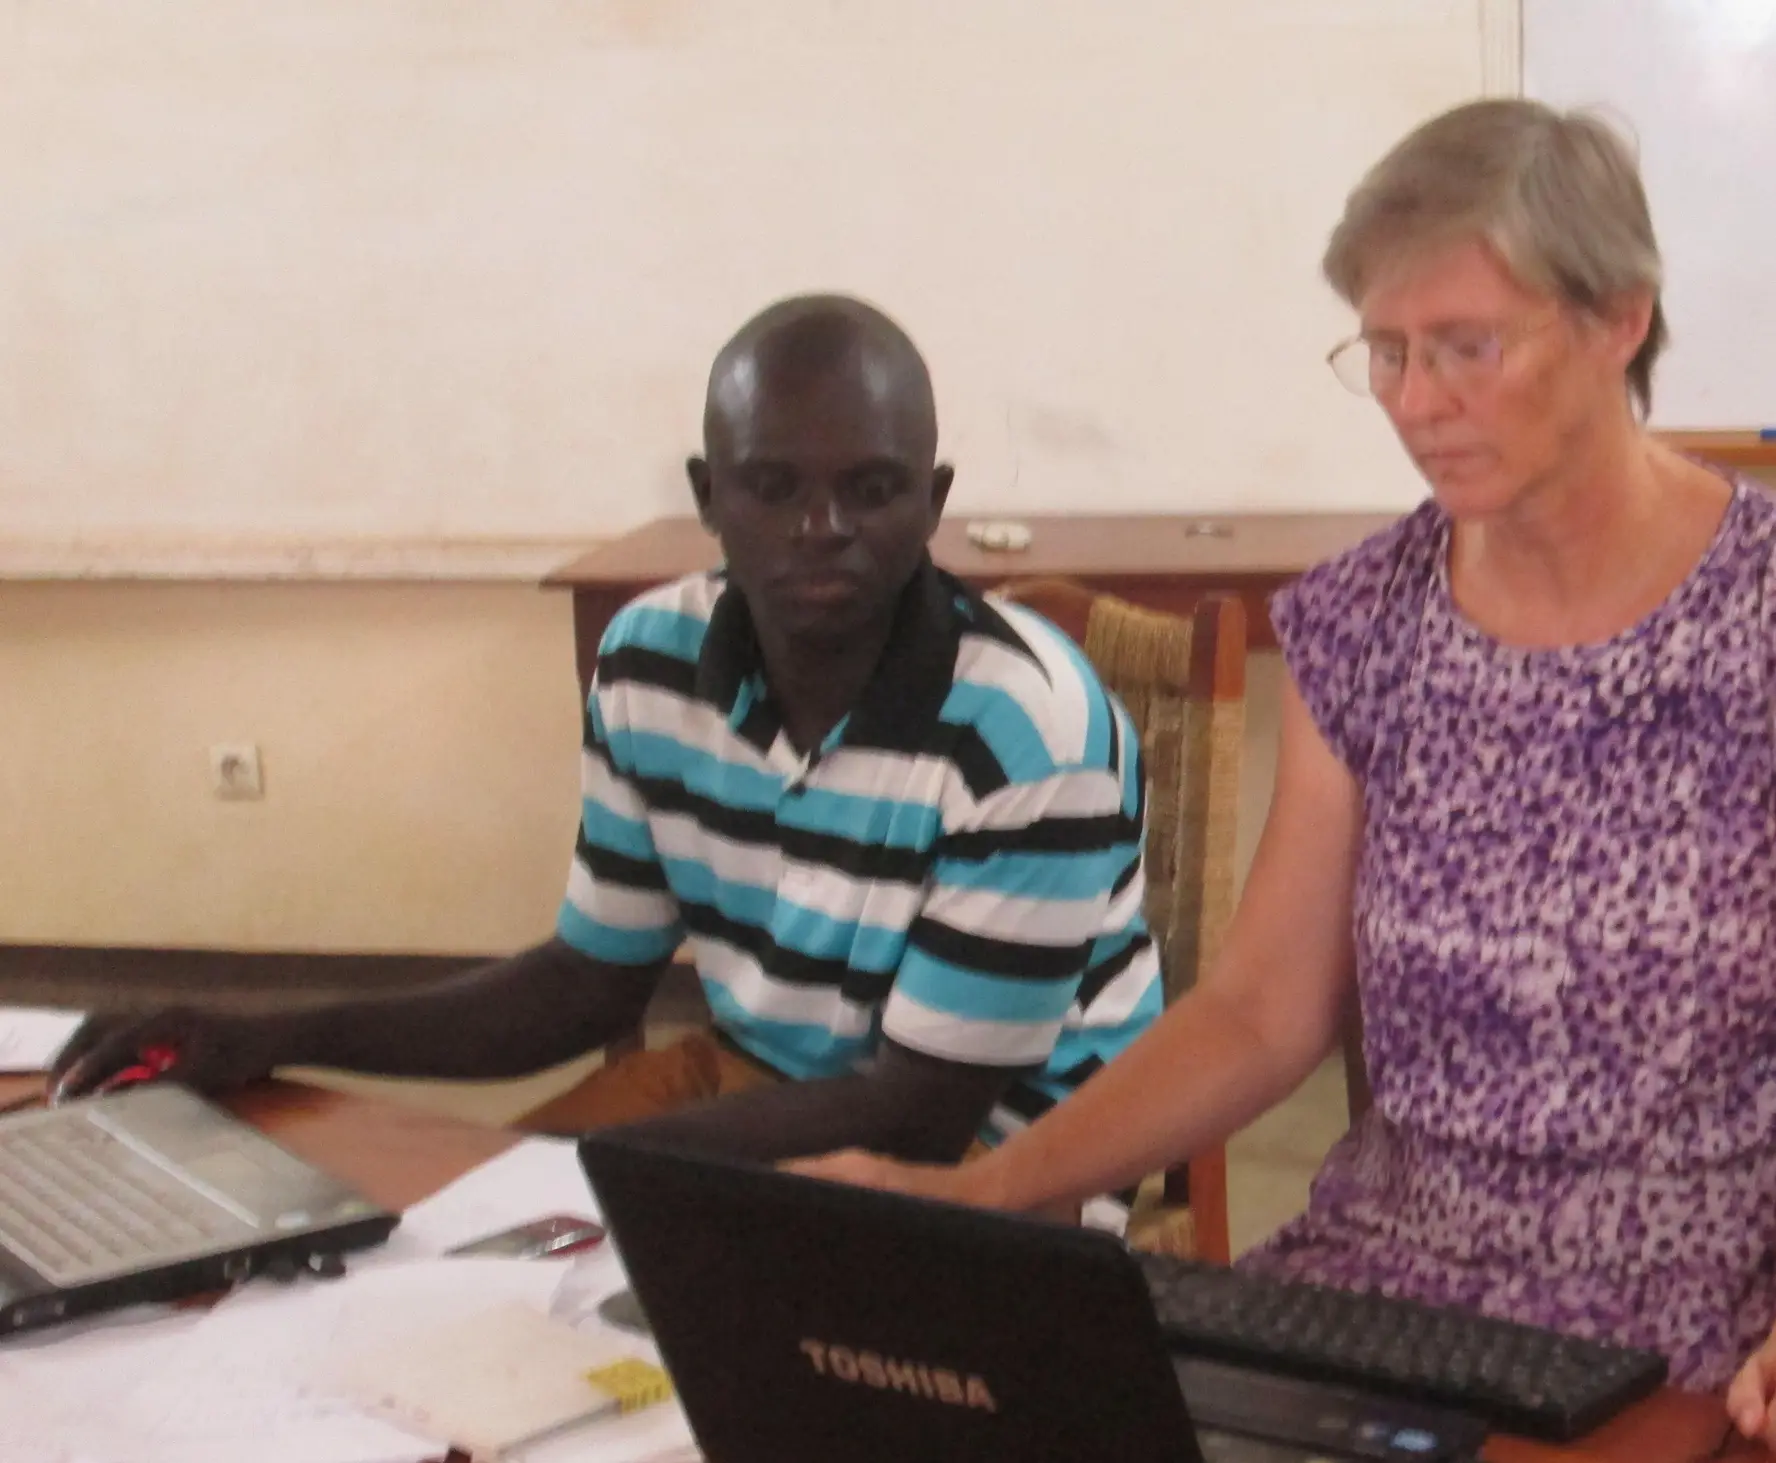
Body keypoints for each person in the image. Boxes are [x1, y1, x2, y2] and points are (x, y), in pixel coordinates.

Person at [797, 102, 1776, 1455]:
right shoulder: (1366, 621)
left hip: (1737, 1300)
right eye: (1386, 350)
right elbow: (1259, 1012)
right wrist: (989, 1192)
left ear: (1619, 318)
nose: (1417, 401)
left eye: (1466, 346)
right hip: (1413, 1286)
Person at [52, 295, 1163, 1176]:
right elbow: (585, 984)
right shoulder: (650, 662)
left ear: (933, 499)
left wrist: (597, 1175)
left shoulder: (1027, 730)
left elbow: (917, 1116)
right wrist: (273, 1034)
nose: (822, 528)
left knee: (556, 1263)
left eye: (870, 489)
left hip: (1007, 1156)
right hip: (753, 1082)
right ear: (709, 496)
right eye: (773, 486)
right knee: (437, 1244)